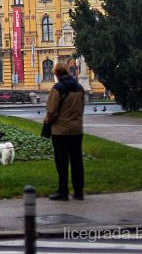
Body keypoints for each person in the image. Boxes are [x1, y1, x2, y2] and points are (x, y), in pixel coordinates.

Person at [44, 61, 85, 200]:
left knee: (62, 163)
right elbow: (82, 107)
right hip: (77, 130)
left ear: (56, 74)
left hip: (60, 131)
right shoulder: (79, 87)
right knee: (77, 161)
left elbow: (51, 110)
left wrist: (48, 122)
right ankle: (79, 192)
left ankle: (63, 191)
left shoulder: (58, 88)